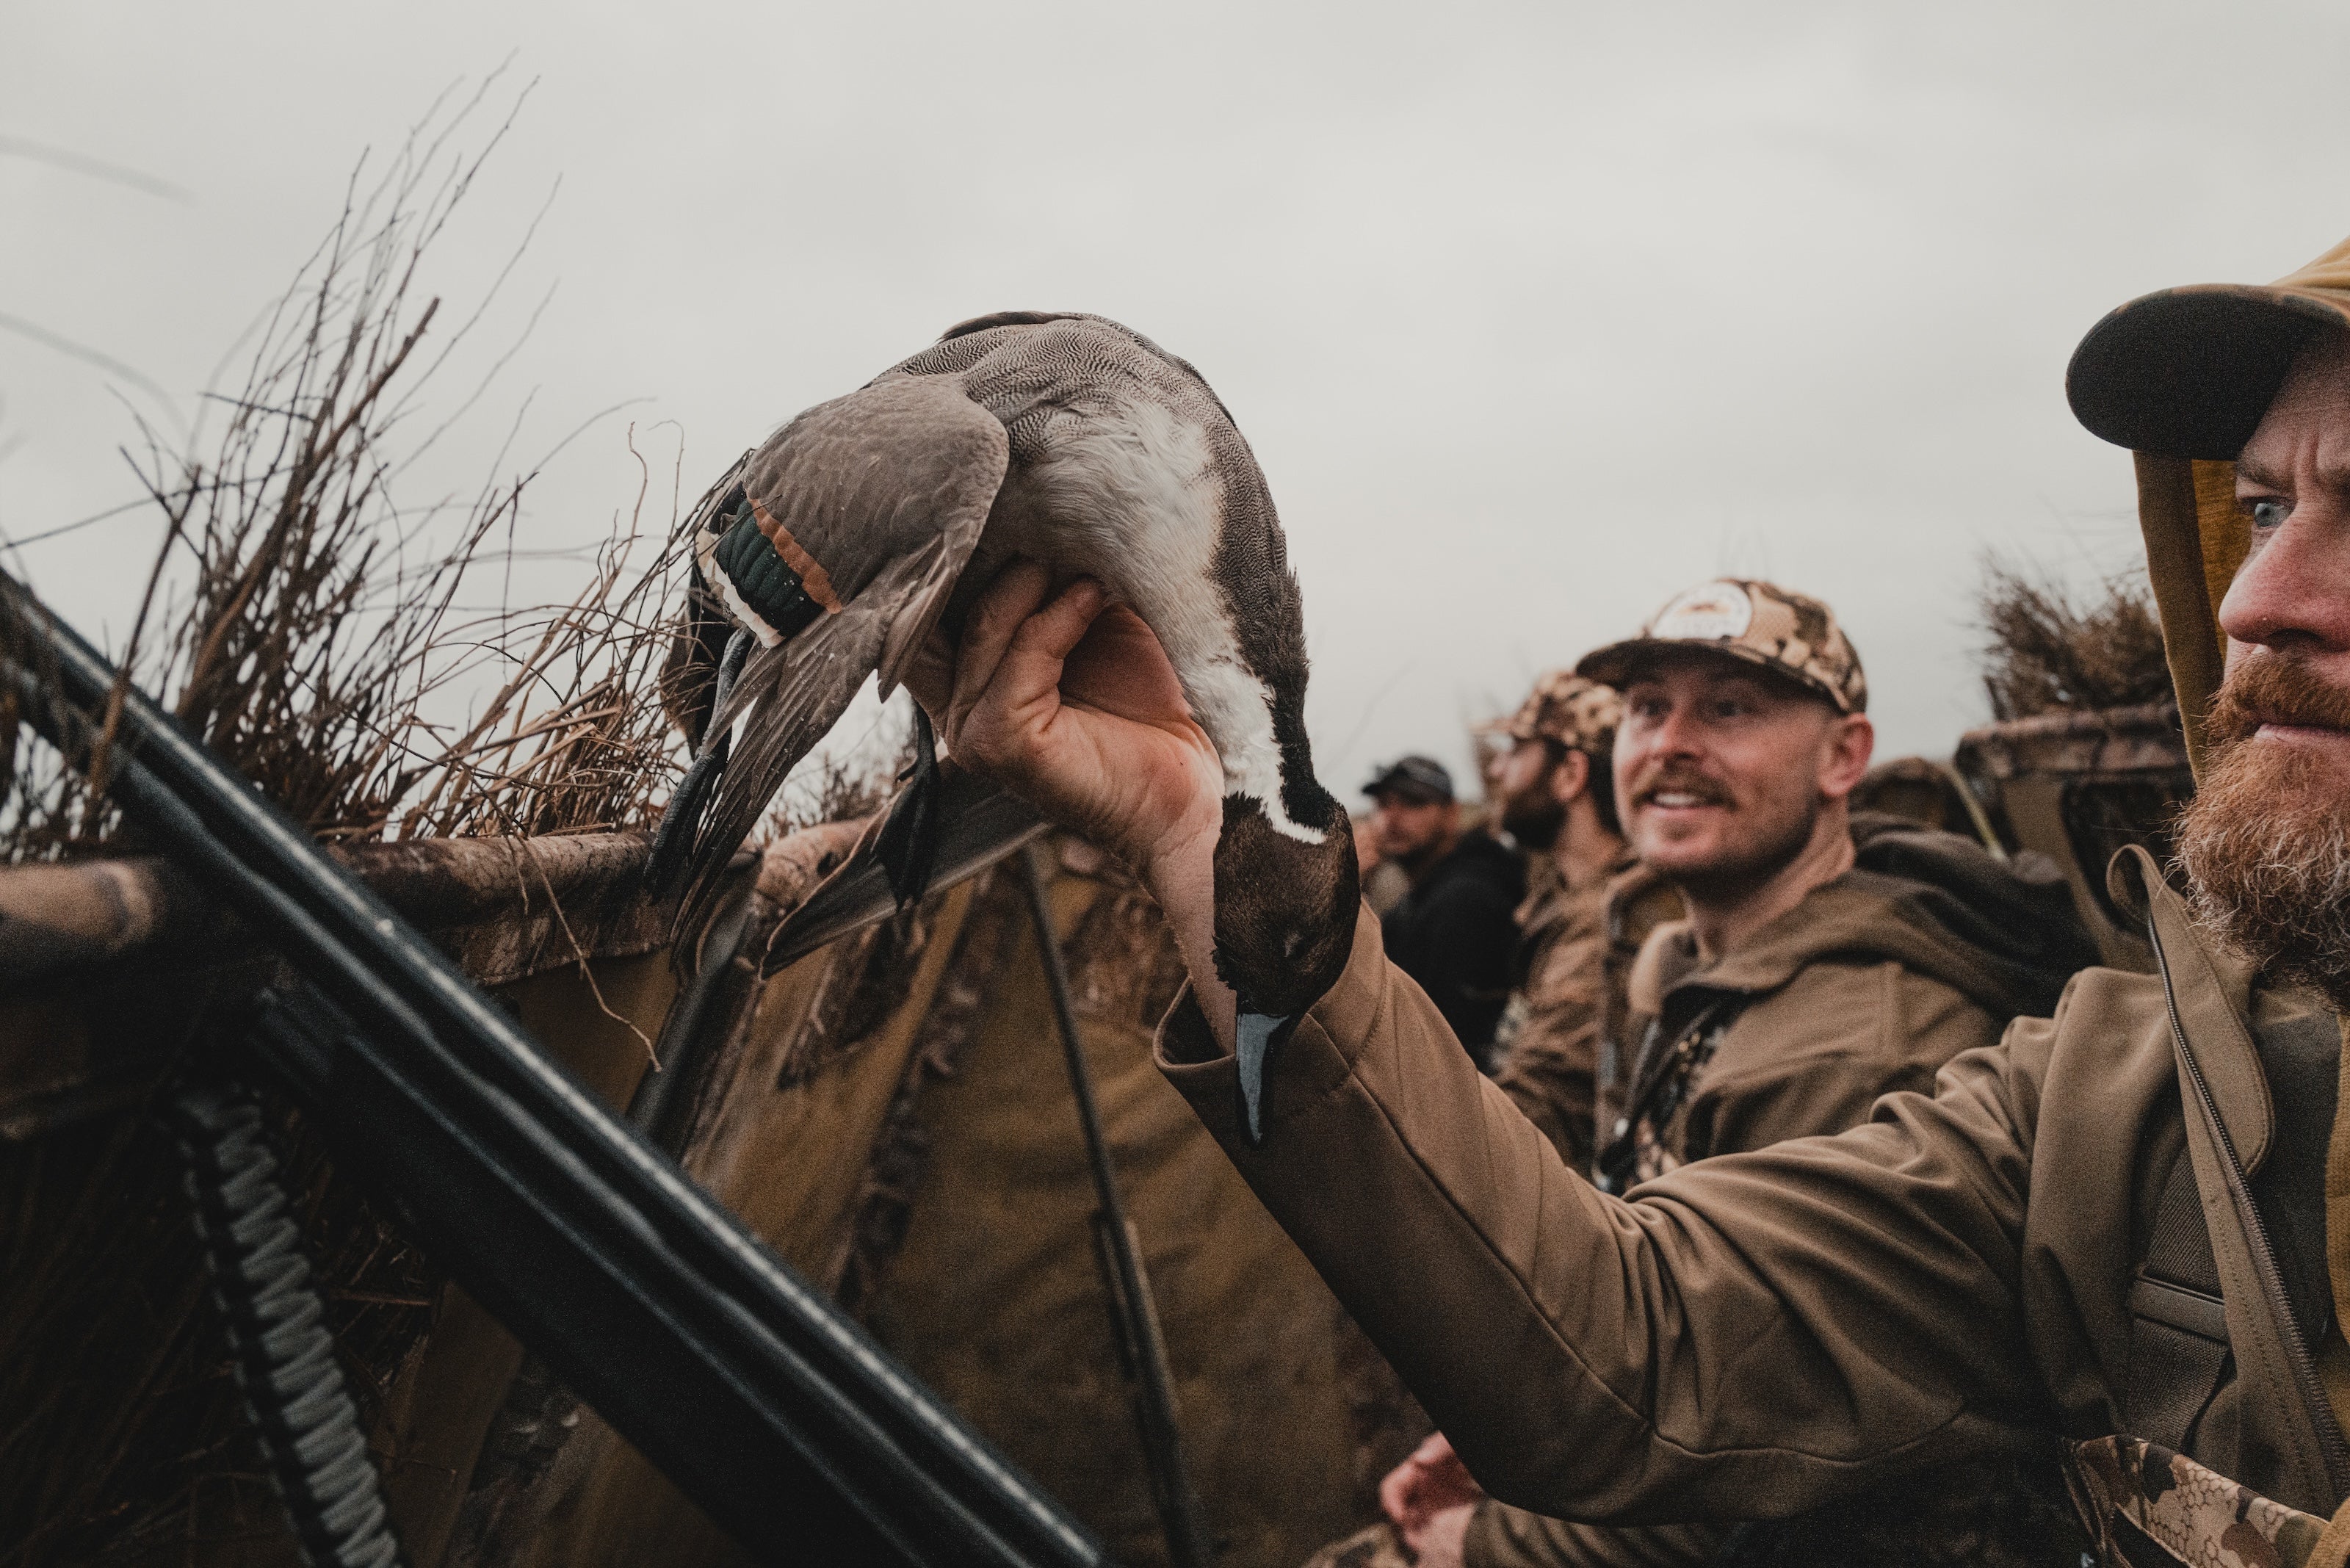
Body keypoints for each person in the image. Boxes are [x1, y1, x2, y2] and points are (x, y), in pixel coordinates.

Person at [906, 231, 2350, 1561]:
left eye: (1733, 706)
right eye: (2260, 508)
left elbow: (1729, 1489)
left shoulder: (1869, 1036)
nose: (2254, 598)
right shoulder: (2119, 1105)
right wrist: (1200, 813)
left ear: (1846, 757)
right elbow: (1639, 1339)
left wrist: (1469, 1545)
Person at [1362, 588, 2095, 1568]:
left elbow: (1744, 1446)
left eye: (1729, 708)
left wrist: (1489, 1538)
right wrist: (1523, 1434)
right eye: (1647, 707)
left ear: (1842, 757)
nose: (1670, 742)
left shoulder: (1854, 1054)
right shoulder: (1696, 968)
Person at [1483, 672, 1646, 1171]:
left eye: (1517, 750)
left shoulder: (1606, 924)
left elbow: (1539, 1111)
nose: (1496, 768)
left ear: (1570, 774)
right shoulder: (1563, 898)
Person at [1362, 756, 1523, 1069]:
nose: (1391, 818)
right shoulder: (1418, 899)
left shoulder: (1464, 900)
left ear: (1452, 815)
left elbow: (1442, 1039)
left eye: (1412, 803)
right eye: (1382, 804)